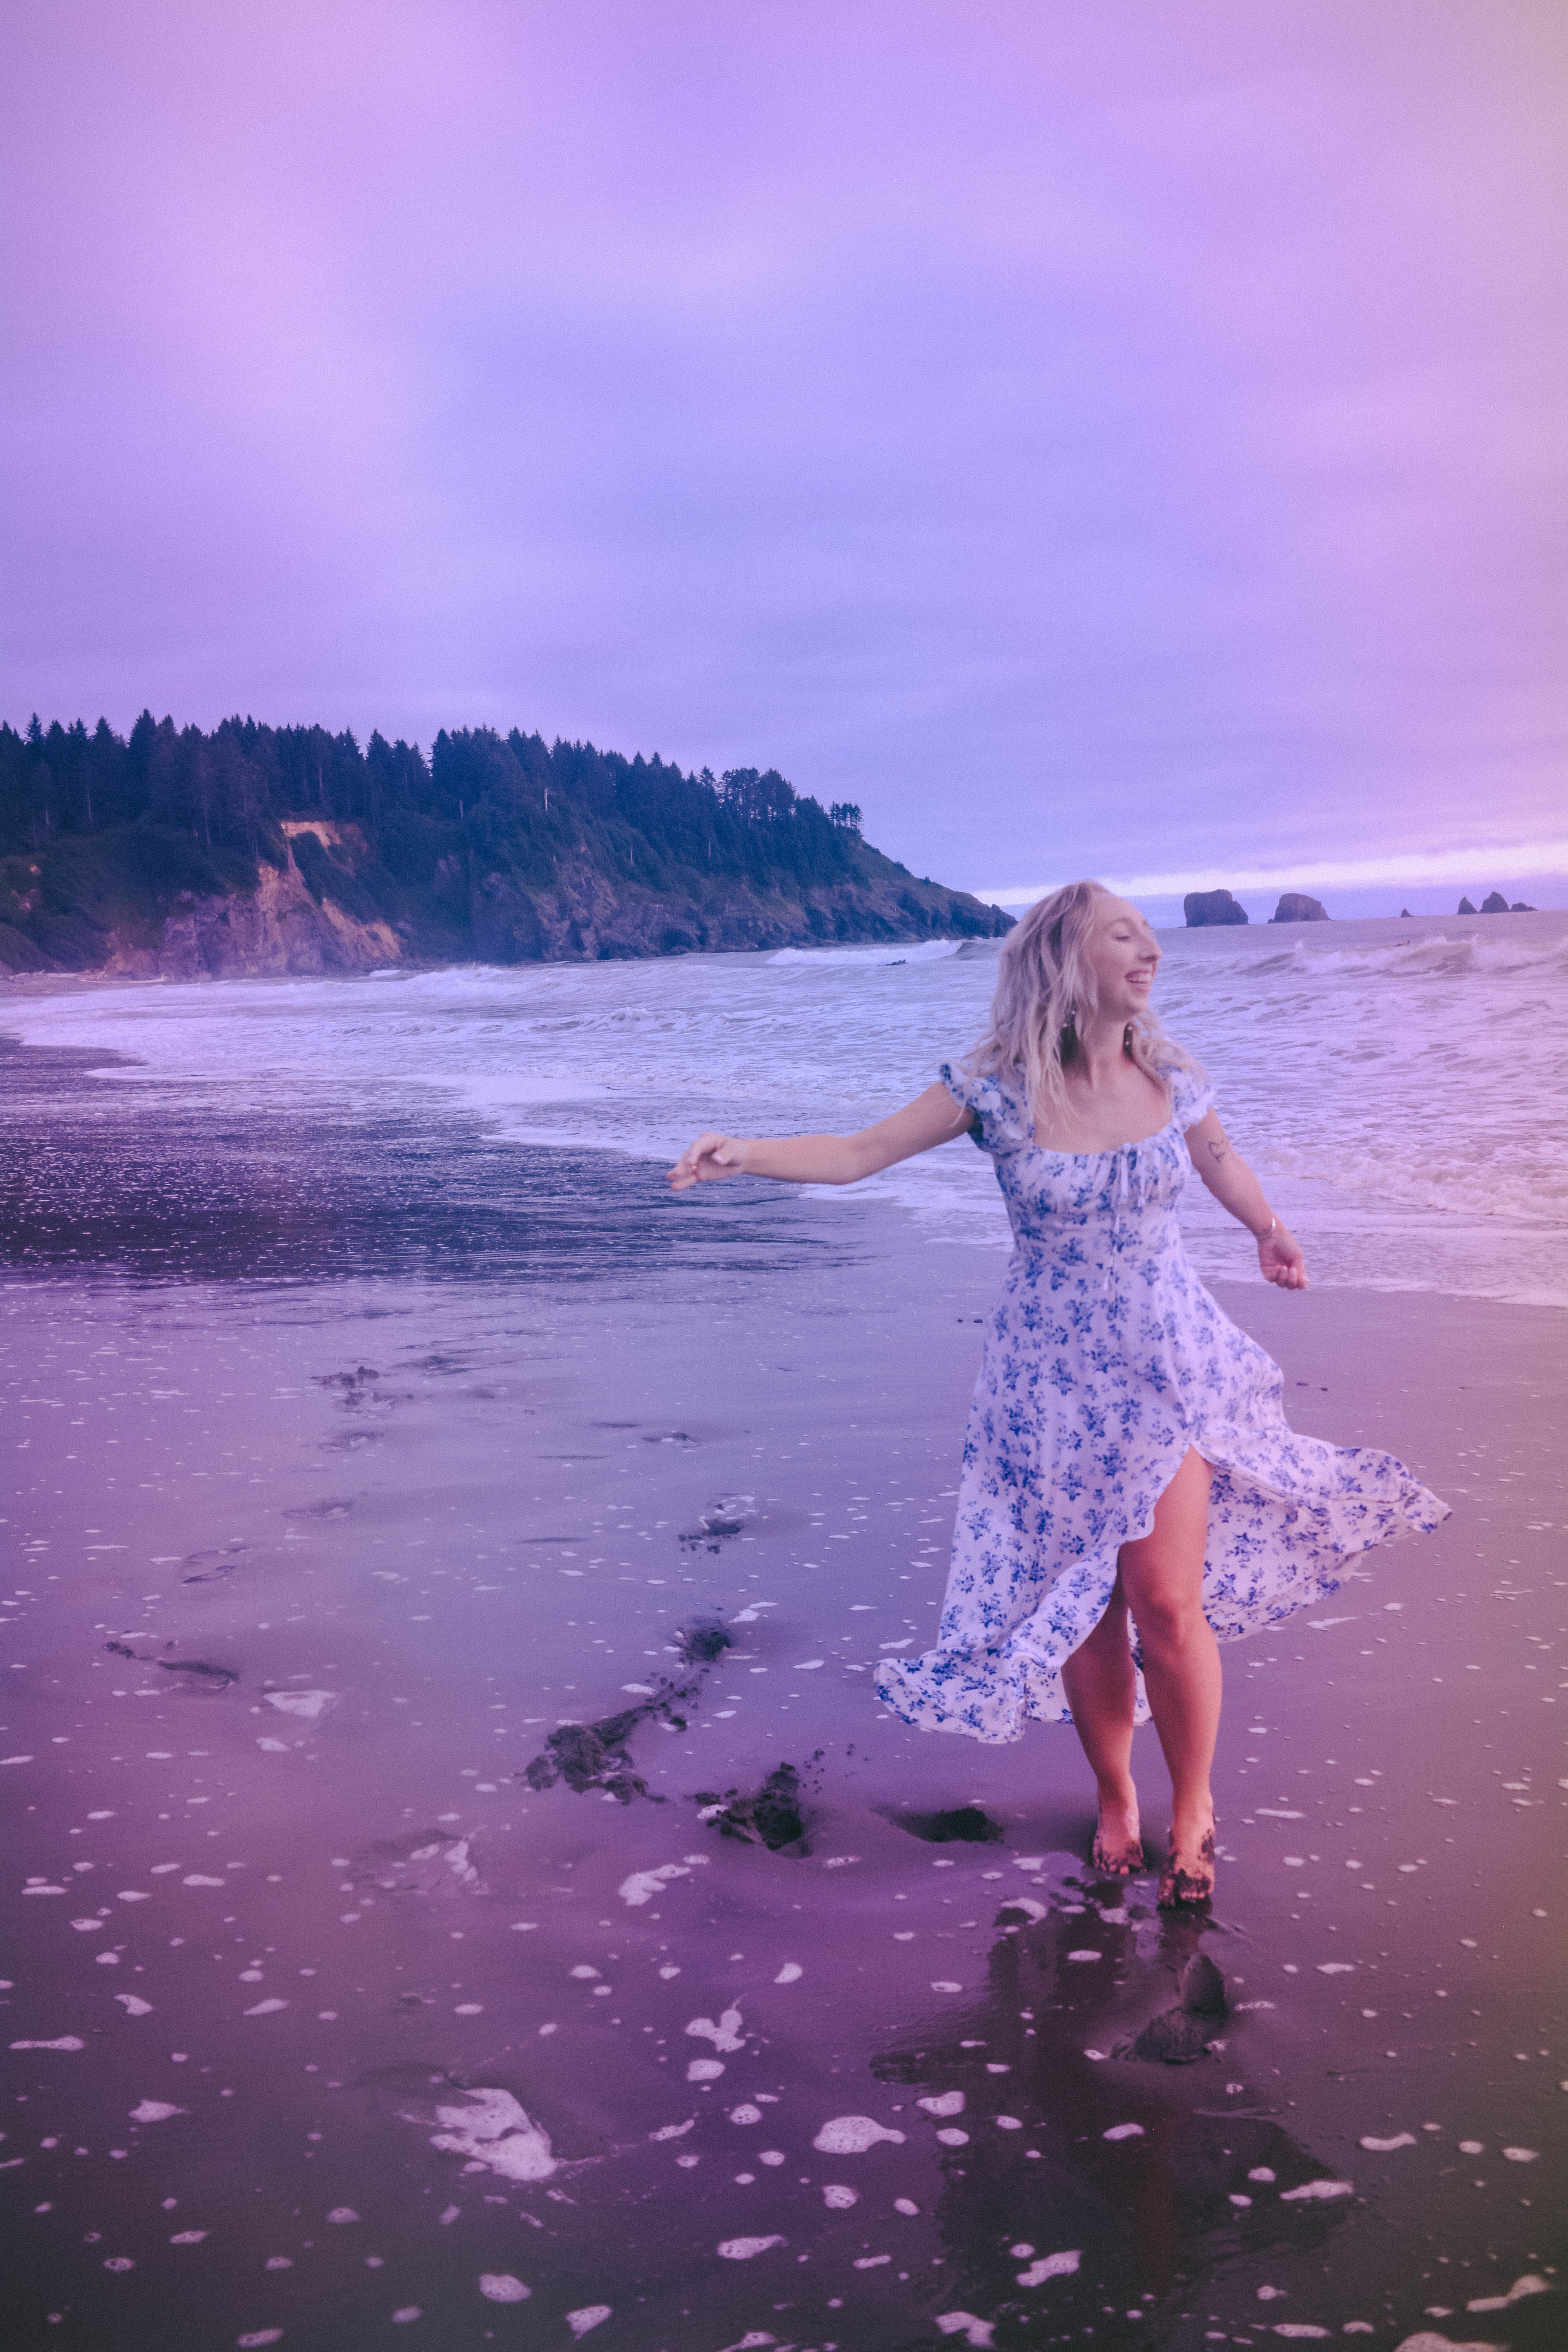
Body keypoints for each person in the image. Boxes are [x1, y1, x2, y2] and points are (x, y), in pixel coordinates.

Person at [667, 880, 1448, 1907]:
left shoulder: (1171, 1076)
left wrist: (1268, 1227)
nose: (1147, 946)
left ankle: (1197, 1800)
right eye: (1119, 932)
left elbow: (1220, 1161)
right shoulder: (992, 1088)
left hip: (1168, 1368)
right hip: (1050, 1387)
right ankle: (1118, 1792)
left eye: (1146, 930)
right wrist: (745, 1153)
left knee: (1167, 1602)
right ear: (1063, 961)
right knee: (1086, 1615)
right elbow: (862, 1153)